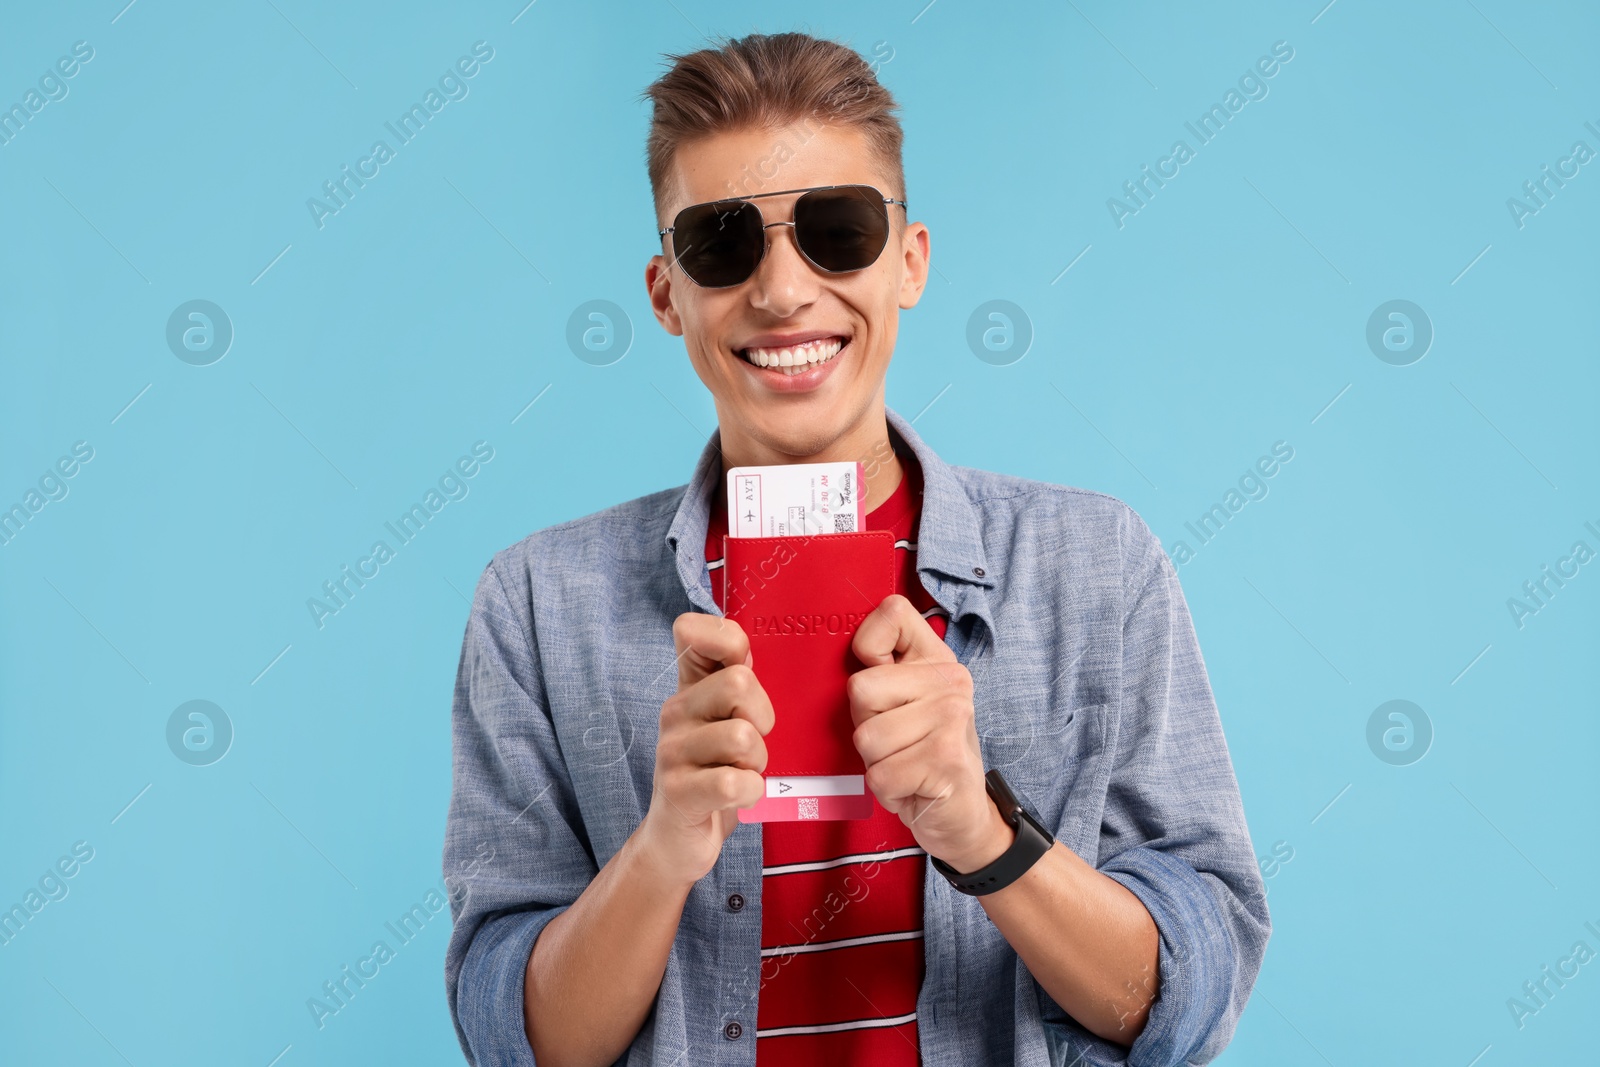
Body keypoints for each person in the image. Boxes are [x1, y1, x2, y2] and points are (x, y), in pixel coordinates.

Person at [442, 30, 1269, 1067]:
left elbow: (1189, 996)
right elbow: (514, 1038)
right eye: (721, 244)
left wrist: (981, 830)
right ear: (667, 295)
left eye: (836, 230)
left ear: (909, 263)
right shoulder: (536, 603)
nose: (783, 291)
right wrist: (659, 853)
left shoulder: (1098, 568)